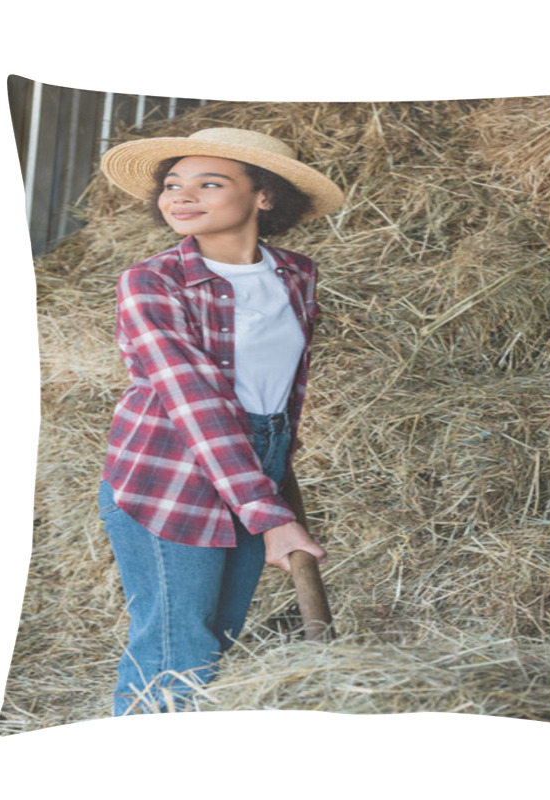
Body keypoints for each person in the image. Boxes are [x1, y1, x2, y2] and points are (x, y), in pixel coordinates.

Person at [97, 127, 343, 715]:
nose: (181, 196)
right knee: (177, 651)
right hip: (171, 471)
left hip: (258, 463)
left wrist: (275, 469)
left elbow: (283, 391)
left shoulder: (296, 274)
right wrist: (269, 516)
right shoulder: (152, 281)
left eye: (210, 183)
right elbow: (193, 400)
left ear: (264, 196)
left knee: (218, 640)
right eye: (173, 184)